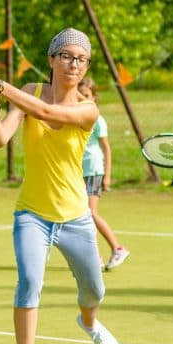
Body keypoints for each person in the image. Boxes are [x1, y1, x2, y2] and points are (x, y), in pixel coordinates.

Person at [0, 28, 120, 344]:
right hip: (31, 215)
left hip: (76, 217)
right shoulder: (31, 91)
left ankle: (89, 322)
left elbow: (48, 112)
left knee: (94, 290)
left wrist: (1, 87)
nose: (74, 64)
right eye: (66, 56)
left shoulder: (87, 109)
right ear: (51, 59)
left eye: (81, 59)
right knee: (29, 283)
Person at [77, 78, 130, 271]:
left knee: (90, 214)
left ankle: (117, 248)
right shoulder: (75, 117)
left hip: (94, 170)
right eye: (79, 94)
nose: (82, 99)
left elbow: (106, 149)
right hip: (78, 171)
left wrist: (107, 175)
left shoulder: (97, 119)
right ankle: (95, 257)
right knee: (81, 215)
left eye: (86, 95)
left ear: (94, 97)